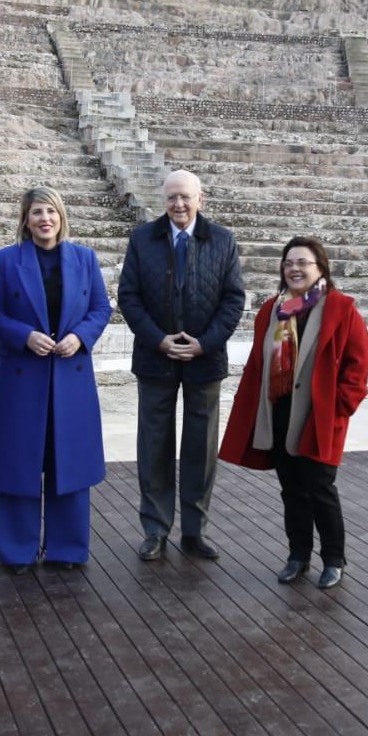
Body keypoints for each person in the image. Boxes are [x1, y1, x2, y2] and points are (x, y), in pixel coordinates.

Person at [219, 237, 368, 591]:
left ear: (320, 268)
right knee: (291, 490)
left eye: (303, 262)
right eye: (289, 263)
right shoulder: (273, 309)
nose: (295, 269)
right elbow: (260, 362)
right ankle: (297, 555)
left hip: (319, 416)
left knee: (321, 488)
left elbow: (357, 366)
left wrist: (339, 408)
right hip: (279, 412)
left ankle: (333, 560)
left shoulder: (340, 308)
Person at [0, 187, 113, 572]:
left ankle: (67, 549)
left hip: (71, 377)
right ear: (26, 219)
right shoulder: (7, 260)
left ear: (61, 216)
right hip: (23, 376)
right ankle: (16, 550)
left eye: (51, 212)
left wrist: (80, 337)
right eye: (37, 212)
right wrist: (24, 336)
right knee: (18, 462)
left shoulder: (84, 258)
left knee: (67, 461)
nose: (45, 219)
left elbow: (101, 308)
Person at [117, 169, 245, 561]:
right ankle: (155, 530)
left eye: (185, 197)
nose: (178, 204)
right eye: (172, 197)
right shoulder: (142, 239)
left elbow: (232, 300)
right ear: (163, 199)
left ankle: (195, 531)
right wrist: (160, 340)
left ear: (200, 199)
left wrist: (203, 345)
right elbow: (129, 296)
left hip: (204, 363)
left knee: (200, 451)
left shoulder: (223, 240)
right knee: (153, 446)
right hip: (156, 360)